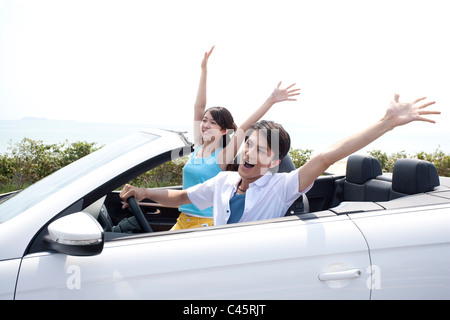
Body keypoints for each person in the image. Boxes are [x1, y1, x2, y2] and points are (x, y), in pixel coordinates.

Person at [121, 93, 439, 227]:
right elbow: (181, 196)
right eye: (248, 145)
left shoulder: (282, 186)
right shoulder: (224, 180)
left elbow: (327, 156)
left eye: (261, 150)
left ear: (274, 161)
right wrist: (144, 193)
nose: (248, 153)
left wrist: (386, 122)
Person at [171, 46, 300, 229]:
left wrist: (270, 100)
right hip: (183, 219)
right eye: (205, 121)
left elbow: (246, 125)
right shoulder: (198, 146)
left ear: (224, 131)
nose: (205, 124)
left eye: (213, 123)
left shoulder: (223, 156)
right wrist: (203, 71)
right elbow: (198, 107)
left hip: (204, 224)